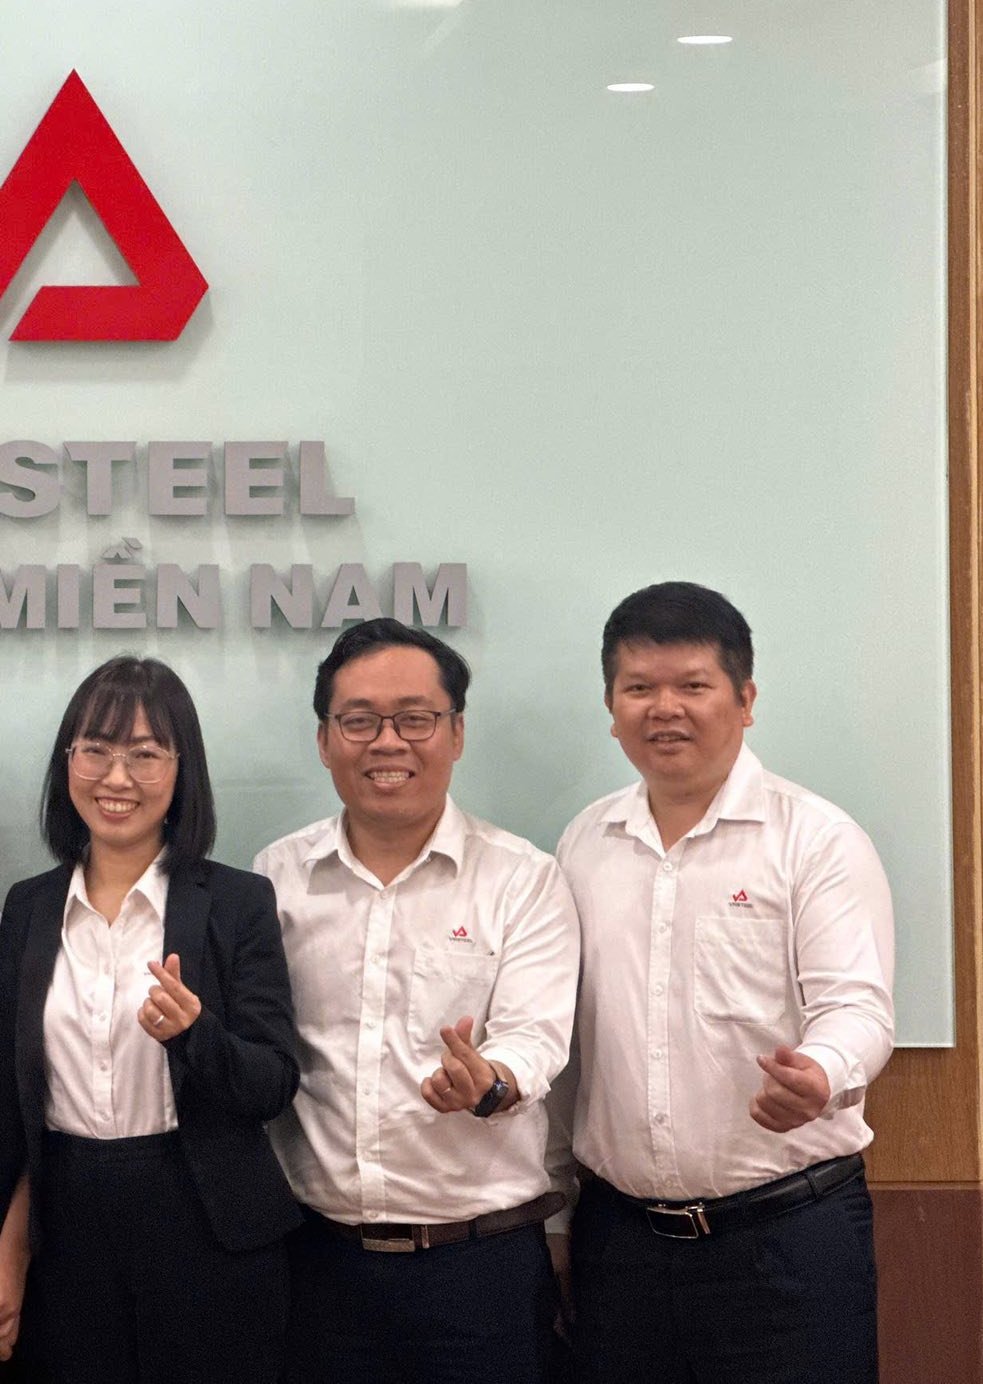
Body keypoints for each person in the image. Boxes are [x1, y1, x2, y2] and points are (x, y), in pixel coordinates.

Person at [556, 582, 894, 1384]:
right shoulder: (585, 843)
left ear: (745, 700)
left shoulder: (815, 839)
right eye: (639, 688)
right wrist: (557, 1222)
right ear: (611, 707)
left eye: (692, 686)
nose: (664, 709)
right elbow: (566, 1049)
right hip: (620, 1244)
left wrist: (821, 1075)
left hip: (786, 1238)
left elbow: (858, 1006)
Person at [0, 655, 300, 1384]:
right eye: (96, 751)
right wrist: (2, 1247)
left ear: (181, 771)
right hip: (66, 1224)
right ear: (68, 763)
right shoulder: (29, 907)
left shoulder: (236, 902)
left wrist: (196, 1034)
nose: (117, 778)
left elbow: (273, 1084)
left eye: (145, 755)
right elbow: (11, 1107)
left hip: (205, 1222)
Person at [253, 618, 579, 1383]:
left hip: (479, 1270)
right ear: (325, 739)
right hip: (317, 1266)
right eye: (359, 721)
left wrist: (490, 1082)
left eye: (415, 718)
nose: (387, 742)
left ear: (456, 732)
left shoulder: (521, 879)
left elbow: (536, 1035)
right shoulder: (276, 878)